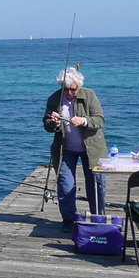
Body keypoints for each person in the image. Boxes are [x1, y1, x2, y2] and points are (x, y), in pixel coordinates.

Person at [43, 67, 108, 233]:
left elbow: (100, 120)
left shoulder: (89, 95)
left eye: (73, 89)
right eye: (67, 89)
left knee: (95, 183)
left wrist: (84, 121)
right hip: (66, 149)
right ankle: (68, 219)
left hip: (92, 149)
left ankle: (97, 216)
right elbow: (47, 125)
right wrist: (55, 123)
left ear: (78, 87)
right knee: (65, 184)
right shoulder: (54, 99)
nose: (70, 92)